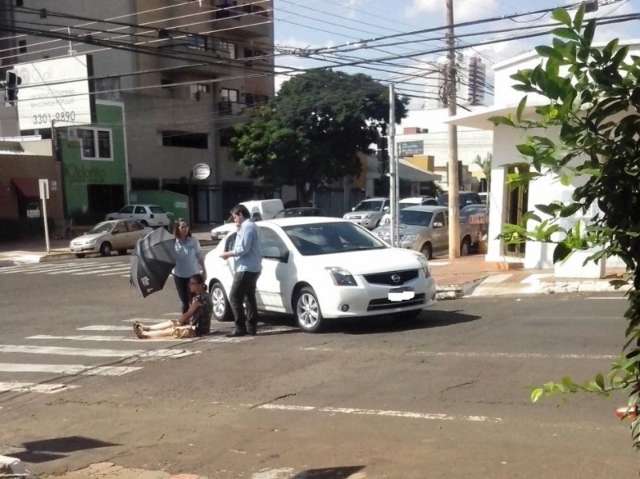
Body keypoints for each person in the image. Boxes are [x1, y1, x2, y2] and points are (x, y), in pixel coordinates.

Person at [220, 204, 262, 337]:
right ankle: (251, 326)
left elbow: (243, 249)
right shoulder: (247, 226)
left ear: (240, 214)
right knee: (249, 296)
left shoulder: (248, 226)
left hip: (246, 267)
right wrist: (238, 229)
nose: (234, 220)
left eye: (235, 217)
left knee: (234, 297)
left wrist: (228, 254)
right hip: (251, 267)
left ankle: (240, 327)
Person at [134, 274, 212, 339]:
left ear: (200, 285)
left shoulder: (199, 299)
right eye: (190, 283)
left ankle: (146, 334)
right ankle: (148, 328)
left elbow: (188, 314)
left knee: (174, 330)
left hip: (197, 330)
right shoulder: (206, 295)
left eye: (192, 283)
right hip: (202, 328)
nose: (189, 285)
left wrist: (179, 322)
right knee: (173, 322)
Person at [173, 219, 204, 314]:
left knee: (195, 300)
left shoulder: (193, 241)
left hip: (193, 275)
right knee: (185, 302)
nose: (185, 229)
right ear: (177, 229)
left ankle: (197, 323)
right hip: (179, 275)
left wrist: (204, 269)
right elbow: (168, 259)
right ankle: (185, 326)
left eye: (186, 226)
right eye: (182, 227)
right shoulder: (173, 243)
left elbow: (199, 256)